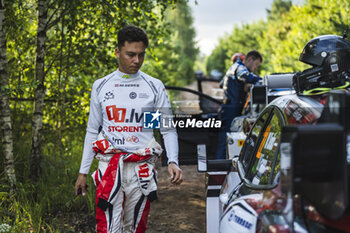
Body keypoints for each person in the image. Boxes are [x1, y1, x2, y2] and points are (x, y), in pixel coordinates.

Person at [74, 25, 183, 233]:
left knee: (134, 227)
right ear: (117, 52)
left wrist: (173, 161)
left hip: (141, 168)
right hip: (109, 167)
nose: (137, 61)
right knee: (108, 227)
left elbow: (166, 129)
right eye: (130, 55)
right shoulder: (102, 86)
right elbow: (92, 130)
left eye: (141, 55)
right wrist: (83, 172)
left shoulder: (153, 87)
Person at [216, 50, 262, 159]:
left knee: (225, 139)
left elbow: (222, 84)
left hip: (227, 107)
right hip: (232, 108)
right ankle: (219, 168)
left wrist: (242, 87)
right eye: (255, 65)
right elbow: (245, 76)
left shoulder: (233, 67)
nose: (255, 68)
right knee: (226, 140)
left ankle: (220, 166)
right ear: (250, 59)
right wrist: (263, 80)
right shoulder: (240, 67)